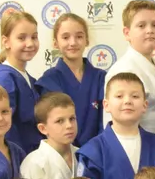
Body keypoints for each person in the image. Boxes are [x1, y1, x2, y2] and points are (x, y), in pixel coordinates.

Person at [37, 11, 105, 148]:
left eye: (79, 36)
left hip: (98, 152)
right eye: (65, 37)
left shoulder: (101, 78)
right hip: (63, 152)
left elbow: (107, 122)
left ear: (87, 40)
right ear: (56, 43)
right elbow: (52, 126)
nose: (73, 43)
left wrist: (95, 152)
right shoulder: (48, 81)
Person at [109, 0, 155, 138]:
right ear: (127, 33)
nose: (149, 30)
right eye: (141, 26)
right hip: (139, 146)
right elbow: (114, 123)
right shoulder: (122, 70)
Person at [0, 9, 43, 152]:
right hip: (16, 156)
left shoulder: (27, 78)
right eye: (22, 38)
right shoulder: (4, 79)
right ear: (6, 42)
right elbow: (1, 128)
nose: (30, 43)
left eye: (34, 37)